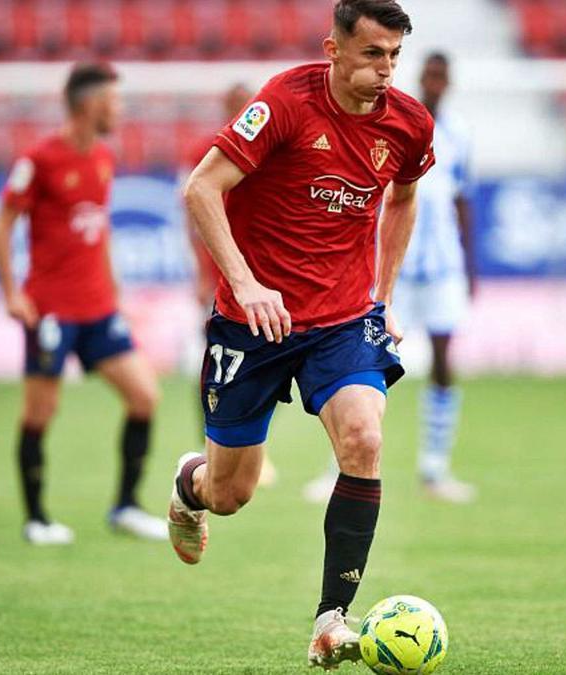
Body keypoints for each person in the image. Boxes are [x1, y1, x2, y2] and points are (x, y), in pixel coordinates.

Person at [174, 0, 434, 668]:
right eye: (373, 54)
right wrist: (246, 281)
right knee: (231, 494)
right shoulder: (285, 102)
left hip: (342, 320)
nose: (385, 71)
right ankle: (189, 487)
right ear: (334, 49)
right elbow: (203, 188)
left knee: (364, 437)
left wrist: (383, 297)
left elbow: (403, 198)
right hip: (252, 321)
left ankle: (330, 620)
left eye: (394, 57)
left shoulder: (408, 125)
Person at [0, 62, 166, 546]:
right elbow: (3, 224)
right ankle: (37, 519)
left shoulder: (104, 158)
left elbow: (100, 230)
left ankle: (126, 506)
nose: (120, 110)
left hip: (98, 308)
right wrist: (12, 293)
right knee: (40, 414)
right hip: (50, 309)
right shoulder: (40, 159)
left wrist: (115, 293)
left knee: (144, 396)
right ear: (91, 105)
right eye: (115, 101)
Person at [303, 51, 476, 504]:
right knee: (361, 364)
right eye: (430, 75)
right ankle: (338, 466)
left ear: (449, 81)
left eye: (442, 76)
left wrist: (470, 266)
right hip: (390, 268)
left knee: (442, 361)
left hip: (443, 268)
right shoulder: (399, 123)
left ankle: (435, 468)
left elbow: (462, 200)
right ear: (422, 78)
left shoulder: (460, 133)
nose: (435, 82)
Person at [181, 83, 277, 488]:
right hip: (221, 277)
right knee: (211, 364)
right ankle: (209, 445)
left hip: (259, 277)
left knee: (267, 361)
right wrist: (203, 274)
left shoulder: (271, 150)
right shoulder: (209, 151)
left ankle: (255, 451)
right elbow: (193, 212)